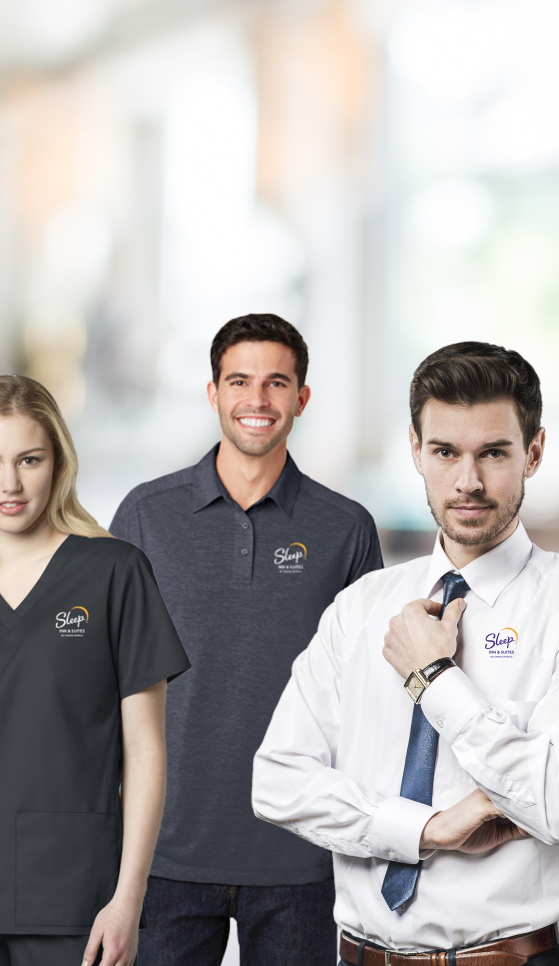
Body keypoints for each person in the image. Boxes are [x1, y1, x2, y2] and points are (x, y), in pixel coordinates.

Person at [252, 341, 559, 965]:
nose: (468, 481)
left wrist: (435, 679)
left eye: (494, 453)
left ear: (533, 453)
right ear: (416, 451)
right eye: (446, 452)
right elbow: (277, 780)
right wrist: (422, 831)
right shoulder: (360, 608)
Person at [0, 375, 190, 966]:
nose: (11, 482)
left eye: (30, 459)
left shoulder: (114, 574)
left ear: (57, 463)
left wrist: (128, 899)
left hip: (74, 897)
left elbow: (147, 751)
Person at [109, 314, 383, 965]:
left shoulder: (345, 528)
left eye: (276, 383)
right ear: (213, 393)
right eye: (239, 381)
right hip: (165, 853)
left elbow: (371, 697)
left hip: (302, 859)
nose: (257, 401)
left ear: (301, 398)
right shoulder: (146, 515)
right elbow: (100, 682)